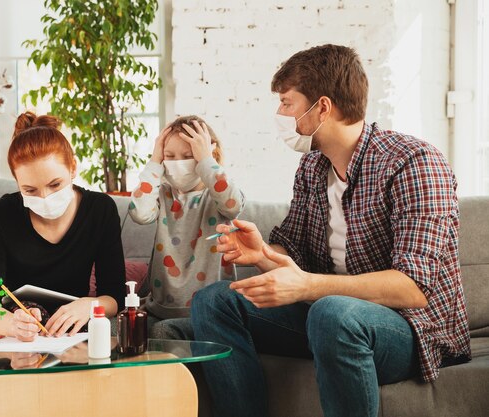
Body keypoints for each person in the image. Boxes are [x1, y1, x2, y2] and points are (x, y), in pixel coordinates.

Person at [191, 44, 471, 417]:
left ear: (322, 107)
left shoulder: (414, 163)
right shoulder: (312, 168)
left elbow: (414, 288)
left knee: (331, 312)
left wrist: (310, 286)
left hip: (410, 330)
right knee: (214, 300)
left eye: (287, 103)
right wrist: (262, 254)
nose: (280, 114)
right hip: (330, 319)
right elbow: (295, 256)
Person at [0, 111, 126, 341]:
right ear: (17, 183)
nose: (44, 198)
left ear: (73, 168)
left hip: (73, 326)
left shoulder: (100, 210)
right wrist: (12, 325)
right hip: (16, 328)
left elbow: (115, 297)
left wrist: (89, 306)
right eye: (30, 191)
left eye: (55, 185)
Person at [129, 116, 245, 339]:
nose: (177, 163)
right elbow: (139, 213)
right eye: (169, 156)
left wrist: (207, 161)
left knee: (162, 332)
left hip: (209, 311)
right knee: (117, 331)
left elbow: (233, 205)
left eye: (189, 156)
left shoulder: (217, 195)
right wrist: (154, 161)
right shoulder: (162, 195)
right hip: (159, 308)